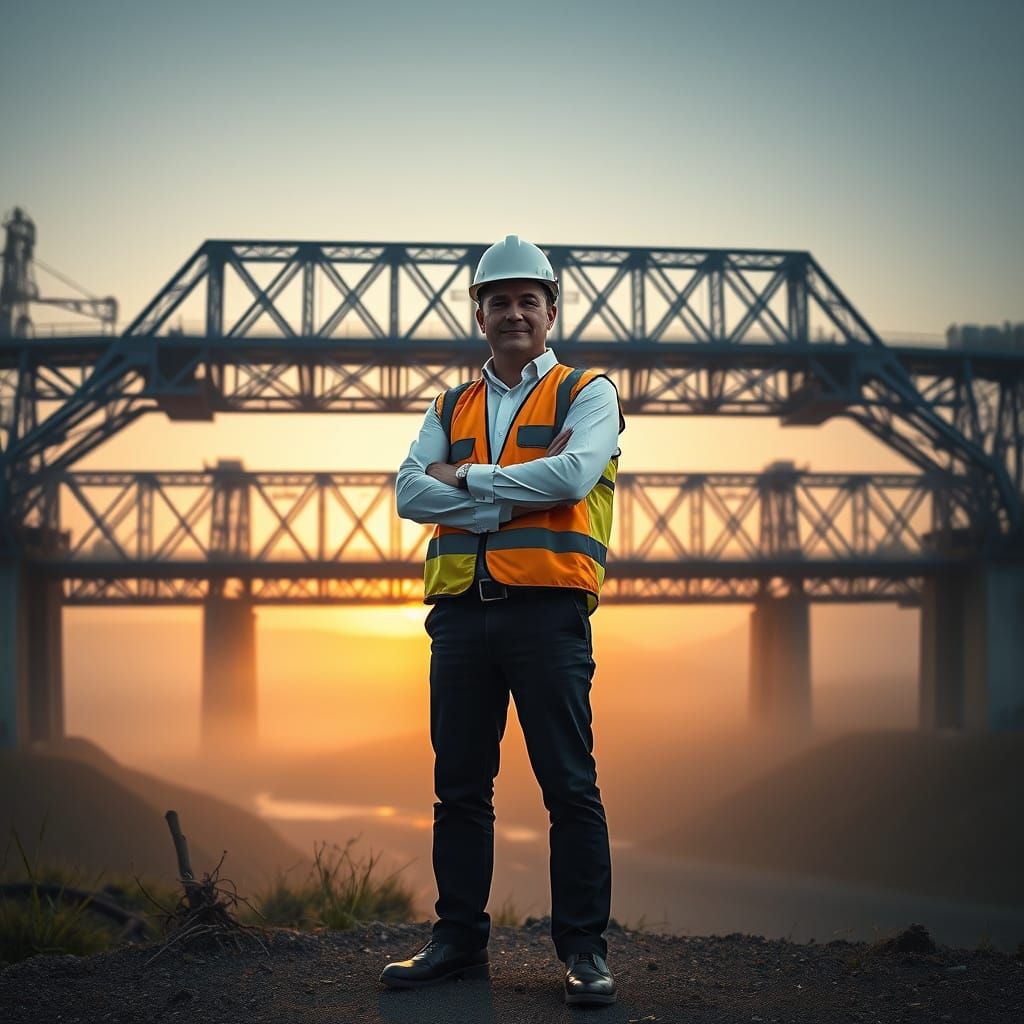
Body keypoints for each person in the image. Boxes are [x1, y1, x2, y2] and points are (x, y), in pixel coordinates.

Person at [383, 235, 624, 1007]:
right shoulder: (448, 403)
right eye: (499, 301)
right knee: (458, 787)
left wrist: (469, 480)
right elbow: (409, 494)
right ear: (479, 313)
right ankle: (457, 941)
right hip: (459, 617)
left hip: (547, 614)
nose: (513, 312)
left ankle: (584, 951)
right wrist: (514, 488)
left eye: (528, 300)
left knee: (569, 786)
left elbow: (574, 473)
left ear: (551, 311)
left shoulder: (589, 392)